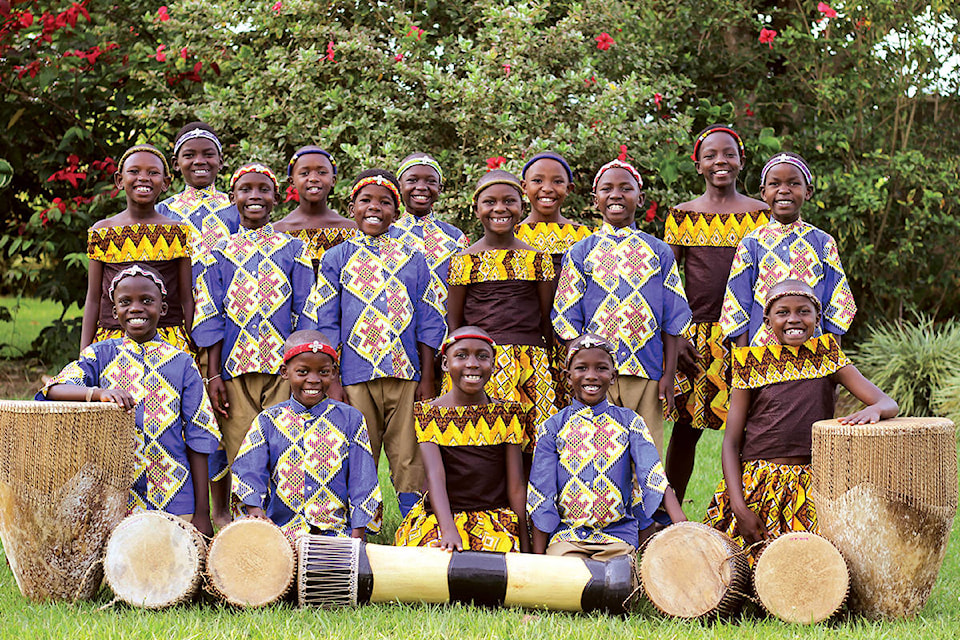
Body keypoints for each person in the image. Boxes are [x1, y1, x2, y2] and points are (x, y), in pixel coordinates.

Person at [705, 280, 897, 553]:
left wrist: (874, 409)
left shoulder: (828, 357)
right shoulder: (751, 363)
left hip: (812, 485)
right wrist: (739, 506)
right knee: (735, 572)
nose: (793, 319)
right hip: (759, 485)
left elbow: (887, 402)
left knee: (815, 569)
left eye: (803, 312)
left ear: (817, 318)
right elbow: (731, 442)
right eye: (782, 312)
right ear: (767, 319)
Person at [39, 265, 221, 536]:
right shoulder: (100, 355)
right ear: (114, 312)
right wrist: (97, 394)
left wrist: (202, 513)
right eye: (125, 302)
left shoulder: (182, 363)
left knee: (173, 567)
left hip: (174, 493)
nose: (136, 308)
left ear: (162, 308)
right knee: (123, 565)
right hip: (116, 495)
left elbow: (199, 437)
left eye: (147, 301)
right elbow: (54, 389)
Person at [314, 168, 446, 517]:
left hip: (406, 375)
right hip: (355, 376)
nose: (375, 207)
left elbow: (429, 319)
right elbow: (326, 322)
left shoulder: (413, 257)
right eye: (366, 200)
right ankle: (359, 529)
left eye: (385, 202)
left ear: (396, 211)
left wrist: (428, 378)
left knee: (409, 454)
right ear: (352, 207)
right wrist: (333, 380)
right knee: (358, 450)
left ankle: (411, 526)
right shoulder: (336, 258)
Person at [192, 163, 318, 527]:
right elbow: (211, 316)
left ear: (276, 198)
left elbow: (305, 310)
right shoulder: (218, 252)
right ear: (232, 199)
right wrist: (213, 374)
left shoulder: (293, 248)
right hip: (234, 370)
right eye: (245, 190)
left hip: (283, 369)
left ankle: (288, 523)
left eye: (263, 190)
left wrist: (302, 367)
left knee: (284, 442)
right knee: (241, 446)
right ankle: (247, 524)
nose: (254, 197)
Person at [552, 159, 692, 456]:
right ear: (595, 200)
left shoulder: (659, 251)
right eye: (607, 189)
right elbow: (567, 316)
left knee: (645, 451)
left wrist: (668, 374)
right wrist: (581, 370)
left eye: (625, 188)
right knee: (598, 449)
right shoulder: (581, 252)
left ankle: (646, 504)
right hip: (596, 373)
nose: (616, 194)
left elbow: (672, 317)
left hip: (647, 369)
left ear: (640, 199)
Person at [662, 125, 770, 502]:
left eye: (728, 154)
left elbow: (767, 274)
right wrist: (677, 336)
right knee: (685, 430)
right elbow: (668, 280)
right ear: (698, 165)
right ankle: (669, 518)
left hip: (746, 335)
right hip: (694, 336)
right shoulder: (682, 216)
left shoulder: (761, 215)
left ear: (741, 161)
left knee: (746, 428)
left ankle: (741, 507)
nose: (720, 161)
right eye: (710, 155)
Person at [527, 334, 687, 559]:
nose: (591, 376)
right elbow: (541, 492)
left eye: (601, 368)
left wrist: (682, 525)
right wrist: (538, 559)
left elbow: (653, 475)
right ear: (568, 376)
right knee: (569, 578)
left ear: (613, 376)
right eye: (581, 368)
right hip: (568, 537)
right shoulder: (552, 428)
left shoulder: (631, 422)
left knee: (616, 581)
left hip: (618, 536)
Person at [231, 330, 382, 542]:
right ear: (285, 372)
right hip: (281, 535)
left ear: (334, 373)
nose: (313, 380)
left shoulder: (351, 419)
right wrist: (257, 515)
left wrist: (356, 538)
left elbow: (363, 481)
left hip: (337, 535)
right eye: (302, 372)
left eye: (323, 372)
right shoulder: (267, 421)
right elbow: (248, 473)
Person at [446, 169, 557, 458]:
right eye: (489, 202)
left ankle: (533, 501)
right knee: (487, 438)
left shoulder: (538, 259)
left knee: (536, 439)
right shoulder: (464, 260)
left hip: (531, 359)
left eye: (509, 201)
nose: (499, 209)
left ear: (521, 207)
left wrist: (551, 364)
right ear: (477, 208)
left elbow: (546, 318)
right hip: (483, 360)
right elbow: (455, 322)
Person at [395, 327, 531, 552]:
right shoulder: (430, 414)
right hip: (442, 515)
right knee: (426, 558)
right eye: (461, 355)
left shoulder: (507, 413)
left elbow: (516, 486)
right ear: (446, 364)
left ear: (494, 364)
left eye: (482, 356)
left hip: (493, 515)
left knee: (501, 559)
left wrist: (524, 540)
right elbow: (435, 476)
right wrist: (448, 529)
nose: (472, 363)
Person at [720, 151, 857, 348]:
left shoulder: (823, 242)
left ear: (808, 191)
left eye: (793, 183)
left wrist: (833, 358)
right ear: (763, 192)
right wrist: (744, 357)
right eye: (775, 184)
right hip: (762, 353)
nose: (784, 190)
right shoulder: (751, 244)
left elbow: (837, 303)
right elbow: (737, 305)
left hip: (814, 353)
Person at [81, 144, 193, 353]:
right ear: (119, 180)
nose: (143, 178)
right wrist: (84, 352)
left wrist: (191, 345)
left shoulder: (177, 233)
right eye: (134, 171)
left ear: (166, 183)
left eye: (153, 173)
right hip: (114, 339)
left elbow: (186, 297)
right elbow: (94, 297)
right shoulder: (103, 232)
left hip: (167, 340)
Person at [515, 151, 592, 407]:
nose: (547, 189)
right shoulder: (512, 234)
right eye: (537, 181)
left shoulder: (583, 236)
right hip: (527, 339)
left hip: (572, 339)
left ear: (569, 188)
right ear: (524, 187)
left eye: (557, 182)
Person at [155, 122, 240, 277]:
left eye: (208, 155)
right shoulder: (162, 211)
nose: (199, 161)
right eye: (189, 155)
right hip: (175, 299)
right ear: (176, 163)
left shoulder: (236, 207)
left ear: (220, 162)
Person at [392, 152, 469, 294]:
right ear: (399, 186)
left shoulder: (455, 238)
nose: (421, 187)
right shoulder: (386, 236)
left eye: (431, 181)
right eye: (412, 180)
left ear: (440, 189)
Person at [274, 146, 356, 271]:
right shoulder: (277, 233)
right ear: (292, 182)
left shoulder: (352, 231)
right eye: (304, 173)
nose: (313, 178)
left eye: (322, 172)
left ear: (333, 180)